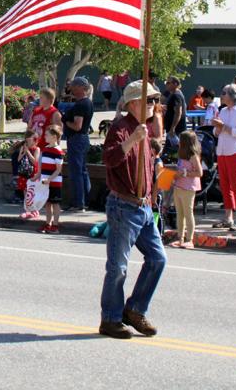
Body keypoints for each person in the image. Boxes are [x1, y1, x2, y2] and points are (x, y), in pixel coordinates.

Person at [98, 79, 166, 340]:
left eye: (155, 101)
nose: (154, 105)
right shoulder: (122, 128)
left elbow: (148, 168)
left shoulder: (144, 129)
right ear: (134, 103)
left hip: (144, 206)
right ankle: (110, 319)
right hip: (123, 205)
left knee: (158, 259)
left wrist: (152, 196)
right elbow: (110, 158)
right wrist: (132, 140)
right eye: (150, 100)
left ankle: (135, 309)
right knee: (118, 266)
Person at [212, 83, 236, 230]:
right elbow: (217, 132)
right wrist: (216, 126)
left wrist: (223, 127)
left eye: (224, 93)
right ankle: (228, 217)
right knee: (225, 185)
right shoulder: (223, 111)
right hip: (222, 151)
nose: (222, 96)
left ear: (233, 96)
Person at [63, 77, 94, 212]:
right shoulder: (87, 103)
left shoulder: (81, 105)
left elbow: (77, 126)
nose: (72, 89)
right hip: (82, 139)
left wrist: (65, 120)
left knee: (76, 173)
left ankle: (78, 203)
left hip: (76, 139)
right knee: (82, 171)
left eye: (75, 86)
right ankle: (85, 201)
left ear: (81, 88)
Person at [170, 130, 202, 249]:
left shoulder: (193, 156)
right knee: (180, 214)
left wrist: (184, 173)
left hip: (188, 188)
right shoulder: (181, 155)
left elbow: (199, 173)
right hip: (179, 186)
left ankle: (190, 239)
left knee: (188, 213)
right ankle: (180, 238)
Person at [37, 125, 64, 233]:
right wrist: (38, 176)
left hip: (54, 182)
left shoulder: (58, 151)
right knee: (47, 203)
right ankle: (48, 223)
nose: (44, 137)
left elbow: (58, 170)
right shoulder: (46, 149)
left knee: (55, 203)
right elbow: (42, 166)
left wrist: (50, 179)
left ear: (54, 136)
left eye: (47, 135)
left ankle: (55, 225)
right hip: (45, 181)